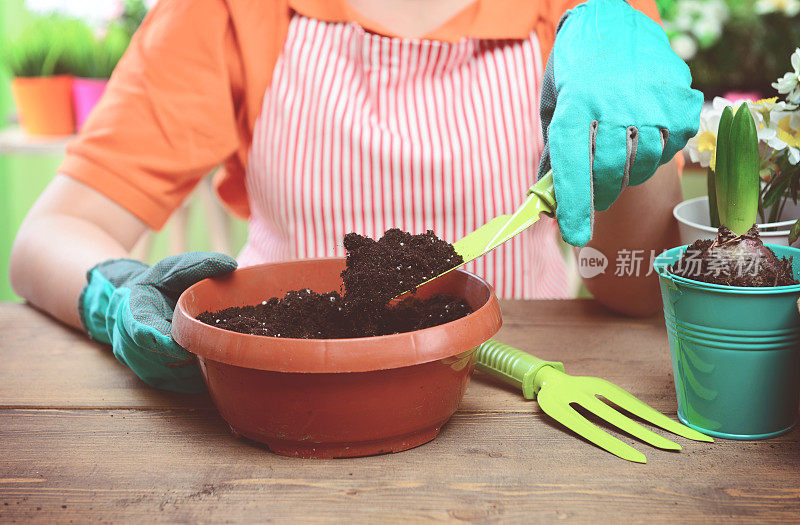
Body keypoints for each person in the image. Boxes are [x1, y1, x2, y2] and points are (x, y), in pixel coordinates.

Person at [9, 0, 702, 392]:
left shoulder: (583, 15)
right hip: (285, 393)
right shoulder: (225, 9)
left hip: (512, 395)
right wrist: (115, 292)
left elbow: (635, 289)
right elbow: (54, 231)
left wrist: (634, 143)